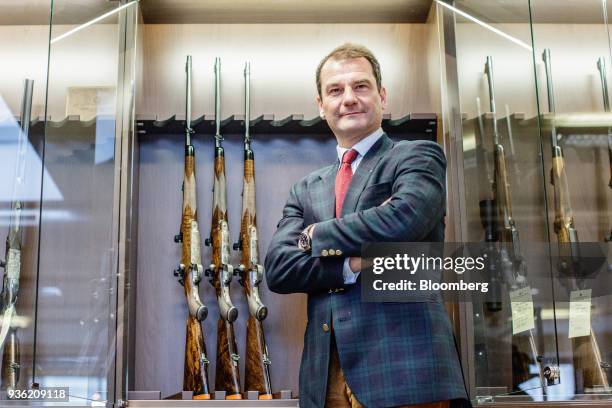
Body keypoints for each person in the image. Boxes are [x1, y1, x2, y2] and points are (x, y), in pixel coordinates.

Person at [265, 43, 469, 408]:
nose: (349, 99)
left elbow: (403, 220)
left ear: (382, 96)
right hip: (325, 375)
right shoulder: (306, 188)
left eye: (361, 86)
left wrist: (317, 235)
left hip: (406, 371)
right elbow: (280, 269)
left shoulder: (416, 155)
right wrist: (354, 263)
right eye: (335, 90)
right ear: (321, 105)